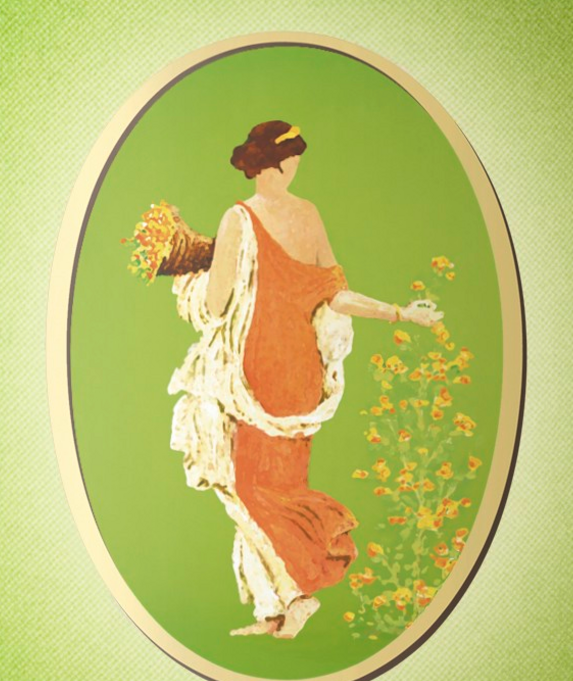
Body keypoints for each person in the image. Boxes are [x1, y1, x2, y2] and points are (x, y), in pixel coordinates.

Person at [168, 119, 439, 639]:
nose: (296, 167)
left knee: (245, 487)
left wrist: (186, 281)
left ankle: (297, 596)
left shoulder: (238, 219)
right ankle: (276, 610)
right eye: (293, 158)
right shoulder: (308, 215)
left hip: (257, 369)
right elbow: (338, 294)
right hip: (301, 373)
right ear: (279, 163)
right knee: (281, 486)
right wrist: (400, 313)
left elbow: (216, 305)